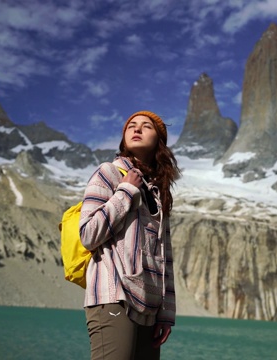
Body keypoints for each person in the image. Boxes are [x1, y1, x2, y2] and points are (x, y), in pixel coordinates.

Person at [79, 110, 180, 360]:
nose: (137, 129)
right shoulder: (108, 173)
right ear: (124, 139)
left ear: (159, 142)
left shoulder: (159, 193)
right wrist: (125, 191)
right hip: (113, 296)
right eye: (131, 126)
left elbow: (164, 258)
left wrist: (166, 315)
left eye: (146, 126)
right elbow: (88, 233)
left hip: (150, 307)